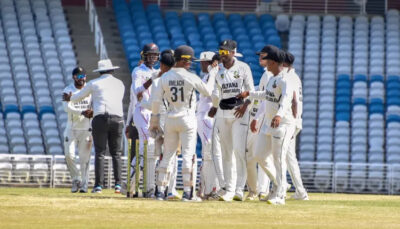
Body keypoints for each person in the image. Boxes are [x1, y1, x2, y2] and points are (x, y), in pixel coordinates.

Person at [150, 45, 217, 201]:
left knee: (167, 155)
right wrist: (213, 73)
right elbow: (207, 91)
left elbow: (155, 100)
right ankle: (188, 193)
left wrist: (154, 120)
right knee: (188, 156)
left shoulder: (164, 77)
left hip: (170, 118)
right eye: (189, 61)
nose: (190, 64)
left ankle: (160, 191)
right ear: (185, 61)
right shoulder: (190, 76)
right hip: (187, 118)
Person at [238, 46, 295, 205]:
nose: (264, 62)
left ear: (275, 62)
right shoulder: (271, 78)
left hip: (282, 123)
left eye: (267, 60)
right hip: (268, 124)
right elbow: (266, 95)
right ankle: (278, 185)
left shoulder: (285, 79)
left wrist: (279, 114)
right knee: (259, 155)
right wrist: (249, 94)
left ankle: (280, 196)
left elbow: (286, 99)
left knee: (279, 158)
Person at [63, 59, 125, 194]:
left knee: (100, 153)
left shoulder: (93, 83)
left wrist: (69, 98)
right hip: (118, 118)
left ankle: (98, 186)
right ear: (112, 70)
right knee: (117, 153)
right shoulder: (120, 83)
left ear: (100, 72)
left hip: (100, 118)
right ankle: (118, 185)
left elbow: (78, 96)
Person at [208, 40, 255, 201]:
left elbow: (251, 91)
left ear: (233, 52)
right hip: (222, 113)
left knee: (238, 151)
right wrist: (215, 106)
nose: (223, 54)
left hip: (239, 113)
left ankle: (239, 189)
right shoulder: (218, 70)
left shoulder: (243, 68)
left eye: (226, 52)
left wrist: (245, 106)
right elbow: (215, 93)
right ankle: (229, 188)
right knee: (226, 153)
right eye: (221, 51)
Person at [126, 43, 160, 197]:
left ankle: (134, 186)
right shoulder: (138, 71)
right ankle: (144, 187)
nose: (152, 58)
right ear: (144, 56)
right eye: (149, 55)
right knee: (148, 149)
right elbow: (137, 91)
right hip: (142, 111)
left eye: (154, 55)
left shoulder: (157, 72)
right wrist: (151, 80)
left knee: (145, 151)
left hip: (154, 113)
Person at [282, 51, 309, 200]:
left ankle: (300, 190)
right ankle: (297, 190)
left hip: (291, 121)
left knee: (288, 157)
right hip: (295, 120)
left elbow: (293, 102)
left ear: (284, 64)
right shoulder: (294, 77)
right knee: (287, 157)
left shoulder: (289, 78)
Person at [194, 51, 220, 199]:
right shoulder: (207, 76)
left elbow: (212, 93)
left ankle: (209, 188)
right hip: (204, 117)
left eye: (203, 62)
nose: (201, 65)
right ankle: (205, 188)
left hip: (207, 118)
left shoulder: (212, 75)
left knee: (209, 154)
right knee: (207, 154)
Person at [63, 67, 93, 193]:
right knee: (68, 155)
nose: (81, 79)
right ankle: (76, 179)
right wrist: (82, 112)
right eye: (78, 76)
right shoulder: (68, 90)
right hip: (71, 128)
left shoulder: (90, 89)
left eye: (83, 76)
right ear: (73, 77)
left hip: (86, 129)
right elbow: (66, 108)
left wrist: (93, 112)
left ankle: (85, 184)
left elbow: (96, 105)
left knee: (84, 158)